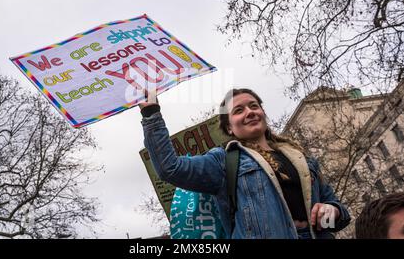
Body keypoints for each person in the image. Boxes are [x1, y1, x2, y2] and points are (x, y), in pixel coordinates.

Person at [139, 88, 351, 239]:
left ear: (263, 114)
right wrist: (151, 113)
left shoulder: (304, 159)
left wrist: (332, 212)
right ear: (229, 128)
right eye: (238, 110)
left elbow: (340, 216)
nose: (250, 112)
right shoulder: (224, 161)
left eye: (254, 106)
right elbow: (170, 168)